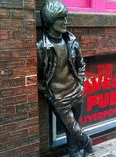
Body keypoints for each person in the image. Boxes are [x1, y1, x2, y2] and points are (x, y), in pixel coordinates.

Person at [37, 0, 93, 156]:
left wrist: (81, 83)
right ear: (50, 21)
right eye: (61, 18)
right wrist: (50, 94)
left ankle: (73, 152)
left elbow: (81, 64)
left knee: (72, 128)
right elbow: (35, 77)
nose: (66, 22)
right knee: (74, 128)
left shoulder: (71, 41)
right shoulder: (42, 48)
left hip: (76, 91)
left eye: (66, 17)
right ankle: (87, 143)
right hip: (59, 98)